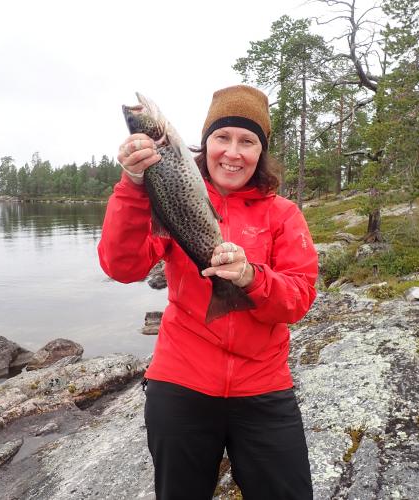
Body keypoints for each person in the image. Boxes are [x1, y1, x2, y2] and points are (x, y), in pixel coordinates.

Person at [98, 84, 318, 500]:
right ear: (203, 143)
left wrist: (251, 277)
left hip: (263, 385)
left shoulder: (283, 215)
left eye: (247, 141)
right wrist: (131, 185)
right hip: (181, 382)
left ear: (260, 152)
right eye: (222, 137)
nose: (232, 152)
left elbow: (298, 300)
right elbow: (122, 267)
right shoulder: (169, 185)